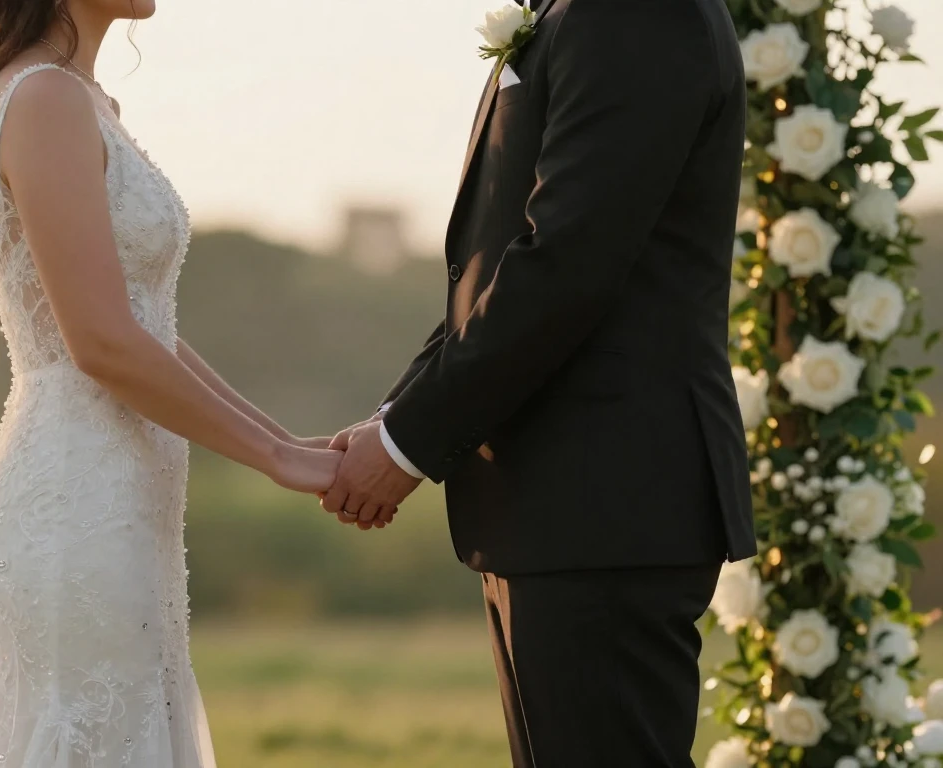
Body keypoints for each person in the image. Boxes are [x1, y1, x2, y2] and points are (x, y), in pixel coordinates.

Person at [0, 1, 338, 765]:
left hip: (116, 506)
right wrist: (273, 461)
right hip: (73, 510)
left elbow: (143, 326)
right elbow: (102, 343)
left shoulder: (75, 97)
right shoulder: (44, 99)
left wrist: (286, 441)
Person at [321, 0, 758, 765]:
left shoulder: (633, 13)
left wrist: (406, 444)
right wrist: (395, 418)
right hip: (558, 504)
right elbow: (501, 267)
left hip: (606, 500)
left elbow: (566, 264)